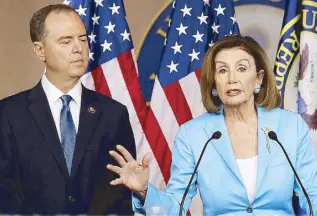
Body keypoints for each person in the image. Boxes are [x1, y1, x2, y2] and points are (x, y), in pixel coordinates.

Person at [107, 35, 317, 215]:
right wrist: (144, 190)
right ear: (214, 83)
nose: (232, 79)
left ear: (259, 79)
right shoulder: (195, 135)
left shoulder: (290, 127)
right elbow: (176, 207)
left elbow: (312, 197)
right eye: (223, 71)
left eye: (242, 68)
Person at [0, 4, 136, 215]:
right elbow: (5, 195)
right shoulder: (8, 114)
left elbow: (119, 197)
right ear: (40, 50)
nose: (78, 48)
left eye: (82, 39)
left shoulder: (113, 114)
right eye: (66, 41)